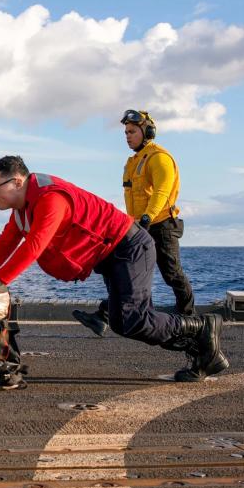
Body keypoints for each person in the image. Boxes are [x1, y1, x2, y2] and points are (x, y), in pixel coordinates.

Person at [0, 155, 227, 382]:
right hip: (113, 255)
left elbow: (34, 246)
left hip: (130, 246)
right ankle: (204, 352)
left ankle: (202, 327)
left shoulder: (51, 199)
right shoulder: (22, 212)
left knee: (135, 320)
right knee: (123, 322)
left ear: (18, 182)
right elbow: (5, 243)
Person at [73, 109, 196, 337]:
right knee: (120, 268)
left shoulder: (159, 157)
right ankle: (104, 315)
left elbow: (162, 190)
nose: (127, 136)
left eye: (132, 131)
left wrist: (148, 216)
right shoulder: (132, 162)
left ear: (147, 132)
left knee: (172, 274)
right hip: (138, 227)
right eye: (126, 132)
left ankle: (189, 318)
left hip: (161, 226)